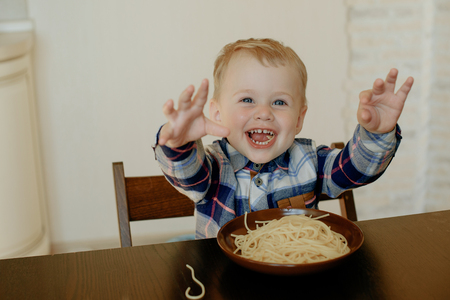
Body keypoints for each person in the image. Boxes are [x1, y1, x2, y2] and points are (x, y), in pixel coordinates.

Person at [153, 38, 414, 239]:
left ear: (299, 119)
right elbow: (188, 175)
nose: (264, 113)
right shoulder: (213, 166)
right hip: (223, 279)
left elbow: (355, 170)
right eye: (247, 100)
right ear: (218, 114)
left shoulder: (310, 160)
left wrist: (377, 133)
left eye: (279, 102)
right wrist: (179, 144)